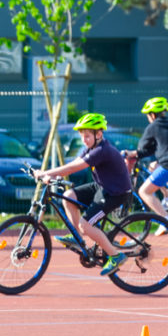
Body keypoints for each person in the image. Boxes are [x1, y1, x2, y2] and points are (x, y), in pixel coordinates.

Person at [33, 113, 133, 276]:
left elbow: (74, 169)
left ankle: (116, 255)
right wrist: (50, 174)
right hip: (102, 186)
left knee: (85, 225)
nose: (84, 140)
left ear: (98, 134)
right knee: (69, 196)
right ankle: (78, 239)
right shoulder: (91, 148)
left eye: (87, 136)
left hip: (115, 192)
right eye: (82, 136)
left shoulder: (101, 150)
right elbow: (73, 163)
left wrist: (45, 173)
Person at [124, 97, 168, 235]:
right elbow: (159, 147)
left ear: (152, 114)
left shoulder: (153, 126)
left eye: (148, 115)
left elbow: (142, 149)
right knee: (152, 167)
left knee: (144, 191)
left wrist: (130, 154)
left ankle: (167, 219)